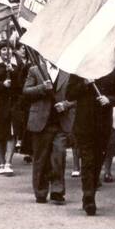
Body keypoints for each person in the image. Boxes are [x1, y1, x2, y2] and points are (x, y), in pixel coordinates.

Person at [71, 62, 115, 216]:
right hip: (84, 122)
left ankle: (91, 188)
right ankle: (89, 197)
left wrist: (110, 100)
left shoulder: (114, 69)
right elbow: (70, 93)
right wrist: (84, 84)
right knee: (87, 160)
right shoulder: (80, 69)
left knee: (98, 160)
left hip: (103, 123)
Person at [23, 58, 76, 204]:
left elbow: (76, 96)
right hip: (41, 122)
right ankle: (40, 191)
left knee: (59, 155)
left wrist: (66, 104)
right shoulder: (35, 70)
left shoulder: (68, 72)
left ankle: (57, 191)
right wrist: (41, 88)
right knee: (40, 158)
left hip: (61, 122)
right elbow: (26, 91)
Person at [0, 40, 25, 175]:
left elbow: (23, 83)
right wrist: (2, 84)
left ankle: (8, 162)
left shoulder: (18, 64)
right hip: (0, 102)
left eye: (8, 49)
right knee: (1, 133)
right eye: (3, 50)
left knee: (12, 133)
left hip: (14, 102)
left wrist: (13, 73)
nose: (6, 52)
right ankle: (1, 162)